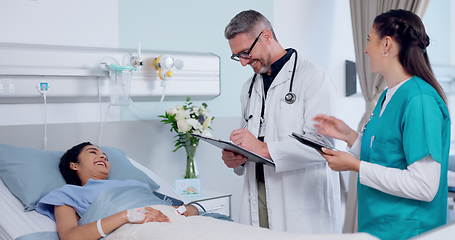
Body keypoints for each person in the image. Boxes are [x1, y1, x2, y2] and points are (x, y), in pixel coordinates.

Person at [313, 9, 450, 240]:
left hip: (409, 230)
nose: (365, 50)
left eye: (369, 40)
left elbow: (424, 186)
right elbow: (385, 156)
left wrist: (356, 166)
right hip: (379, 227)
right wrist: (349, 136)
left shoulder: (420, 100)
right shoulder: (388, 96)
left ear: (386, 44)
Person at [222, 10, 342, 233]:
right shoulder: (248, 87)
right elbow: (248, 141)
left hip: (301, 207)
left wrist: (265, 149)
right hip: (258, 199)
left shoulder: (313, 77)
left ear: (266, 36)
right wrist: (236, 157)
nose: (243, 62)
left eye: (246, 53)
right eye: (238, 56)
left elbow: (324, 146)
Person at [35, 142, 201, 240]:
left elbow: (185, 207)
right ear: (74, 165)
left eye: (105, 157)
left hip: (178, 223)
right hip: (141, 231)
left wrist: (188, 209)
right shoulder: (69, 193)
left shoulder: (135, 184)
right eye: (93, 152)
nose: (102, 157)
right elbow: (70, 236)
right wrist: (127, 215)